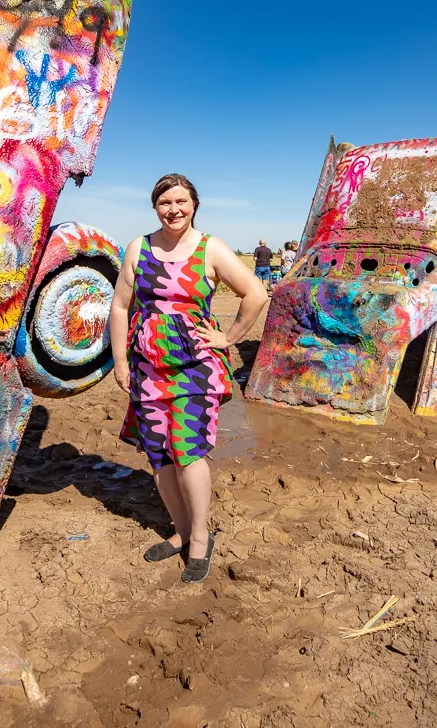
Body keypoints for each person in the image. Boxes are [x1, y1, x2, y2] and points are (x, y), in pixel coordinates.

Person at [109, 174, 268, 582]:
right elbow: (120, 308)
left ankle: (200, 538)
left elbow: (256, 293)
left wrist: (228, 337)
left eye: (181, 201)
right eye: (165, 202)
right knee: (159, 454)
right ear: (155, 207)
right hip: (147, 367)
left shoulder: (209, 248)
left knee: (187, 451)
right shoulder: (138, 249)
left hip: (196, 366)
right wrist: (121, 362)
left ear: (193, 204)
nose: (173, 209)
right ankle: (180, 533)